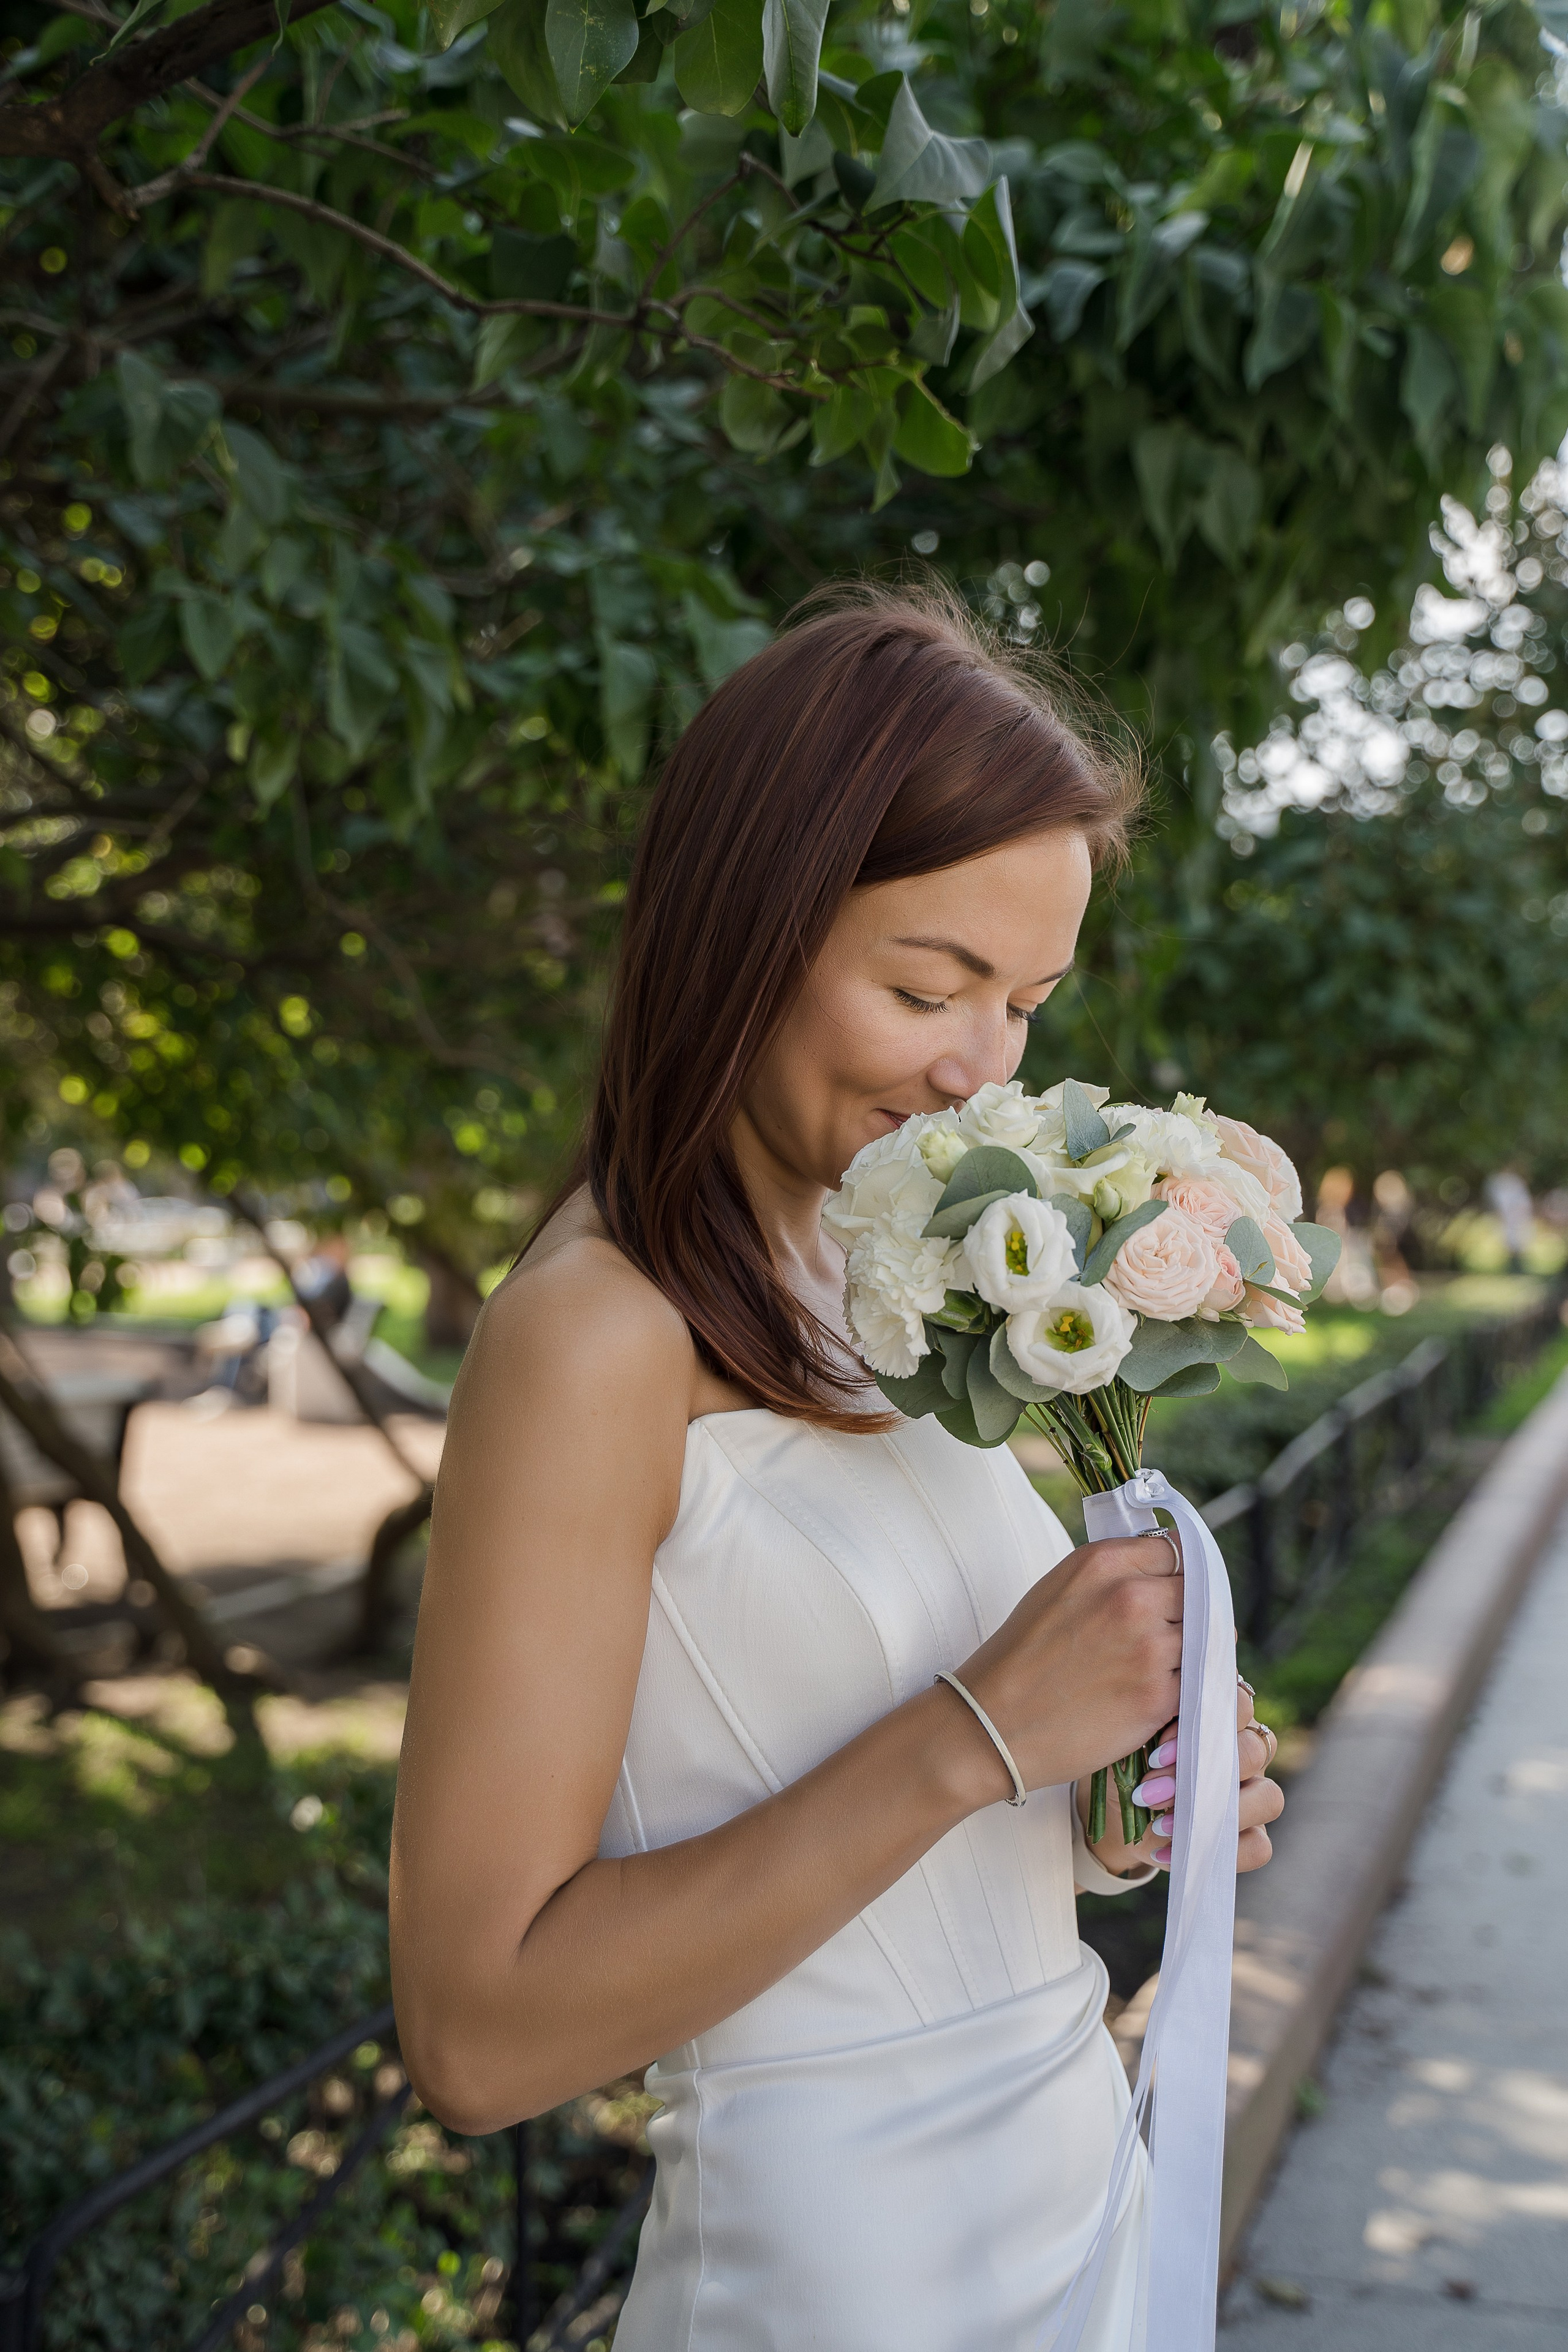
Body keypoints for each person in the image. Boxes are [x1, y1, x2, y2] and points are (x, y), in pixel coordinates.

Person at [390, 587, 1283, 2349]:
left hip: (1060, 2185)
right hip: (843, 2279)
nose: (982, 1071)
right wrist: (984, 1734)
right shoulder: (597, 1339)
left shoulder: (871, 1287)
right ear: (746, 928)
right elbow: (477, 2037)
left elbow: (898, 1813)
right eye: (927, 988)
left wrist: (1114, 1804)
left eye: (1024, 1003)